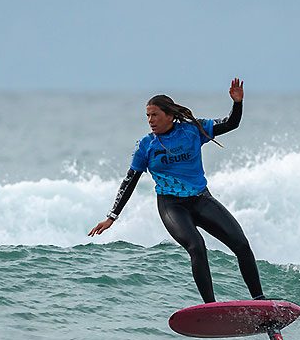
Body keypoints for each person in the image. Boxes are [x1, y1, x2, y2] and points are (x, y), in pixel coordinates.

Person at [88, 78, 264, 303]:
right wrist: (111, 216)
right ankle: (210, 306)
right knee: (196, 246)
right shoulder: (146, 145)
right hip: (171, 205)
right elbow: (129, 181)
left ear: (169, 115)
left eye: (155, 115)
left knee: (241, 244)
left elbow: (231, 124)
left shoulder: (193, 130)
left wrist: (237, 103)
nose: (150, 120)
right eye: (148, 116)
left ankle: (259, 299)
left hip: (201, 199)